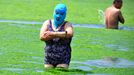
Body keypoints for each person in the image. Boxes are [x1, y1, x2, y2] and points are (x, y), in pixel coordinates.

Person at [40, 4, 73, 69]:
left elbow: (69, 34)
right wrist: (62, 34)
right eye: (57, 13)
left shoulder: (67, 24)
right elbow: (42, 37)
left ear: (64, 15)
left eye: (61, 14)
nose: (58, 16)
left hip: (63, 58)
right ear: (54, 12)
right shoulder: (47, 23)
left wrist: (52, 34)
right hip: (49, 58)